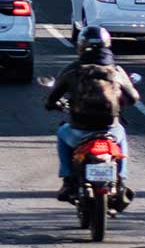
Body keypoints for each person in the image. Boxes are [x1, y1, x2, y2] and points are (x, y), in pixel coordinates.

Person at [44, 26, 139, 202]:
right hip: (110, 130)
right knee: (122, 137)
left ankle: (67, 179)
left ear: (81, 46)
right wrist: (119, 103)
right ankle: (122, 180)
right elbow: (133, 97)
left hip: (78, 131)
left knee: (61, 133)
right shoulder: (115, 71)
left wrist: (52, 104)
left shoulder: (72, 70)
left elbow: (52, 97)